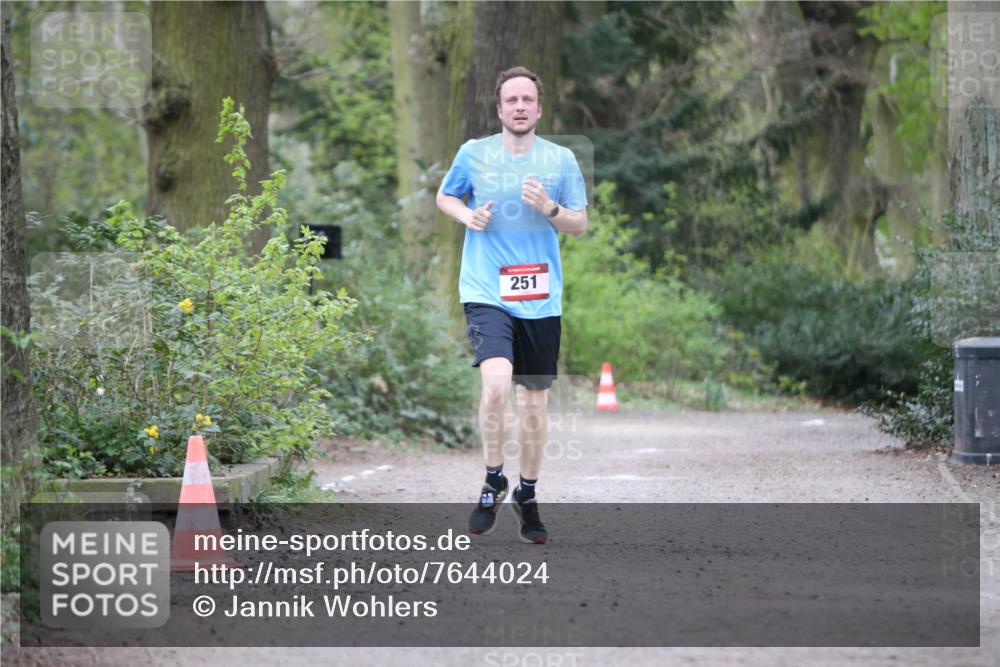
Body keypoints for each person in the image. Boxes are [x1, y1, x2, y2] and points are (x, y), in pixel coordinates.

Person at [435, 66, 588, 544]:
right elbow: (445, 196)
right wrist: (467, 215)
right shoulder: (474, 153)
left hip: (540, 297)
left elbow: (579, 223)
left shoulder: (561, 159)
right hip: (486, 289)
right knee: (497, 388)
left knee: (535, 405)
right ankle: (493, 479)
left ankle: (527, 492)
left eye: (527, 100)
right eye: (511, 100)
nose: (519, 106)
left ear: (539, 109)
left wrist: (550, 208)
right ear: (499, 109)